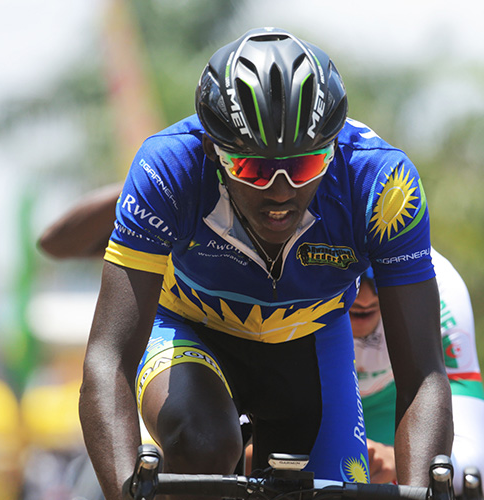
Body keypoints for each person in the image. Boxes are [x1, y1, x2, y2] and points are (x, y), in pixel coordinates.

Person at [75, 27, 452, 500]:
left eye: (303, 167)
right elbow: (108, 359)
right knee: (202, 442)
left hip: (310, 340)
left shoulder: (384, 186)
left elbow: (423, 376)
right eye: (253, 169)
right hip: (190, 326)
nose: (279, 192)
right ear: (214, 149)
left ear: (333, 148)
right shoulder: (168, 167)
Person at [353, 255, 484, 496]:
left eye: (378, 278)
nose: (366, 297)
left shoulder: (443, 286)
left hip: (403, 424)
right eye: (353, 278)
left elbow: (476, 473)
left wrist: (400, 461)